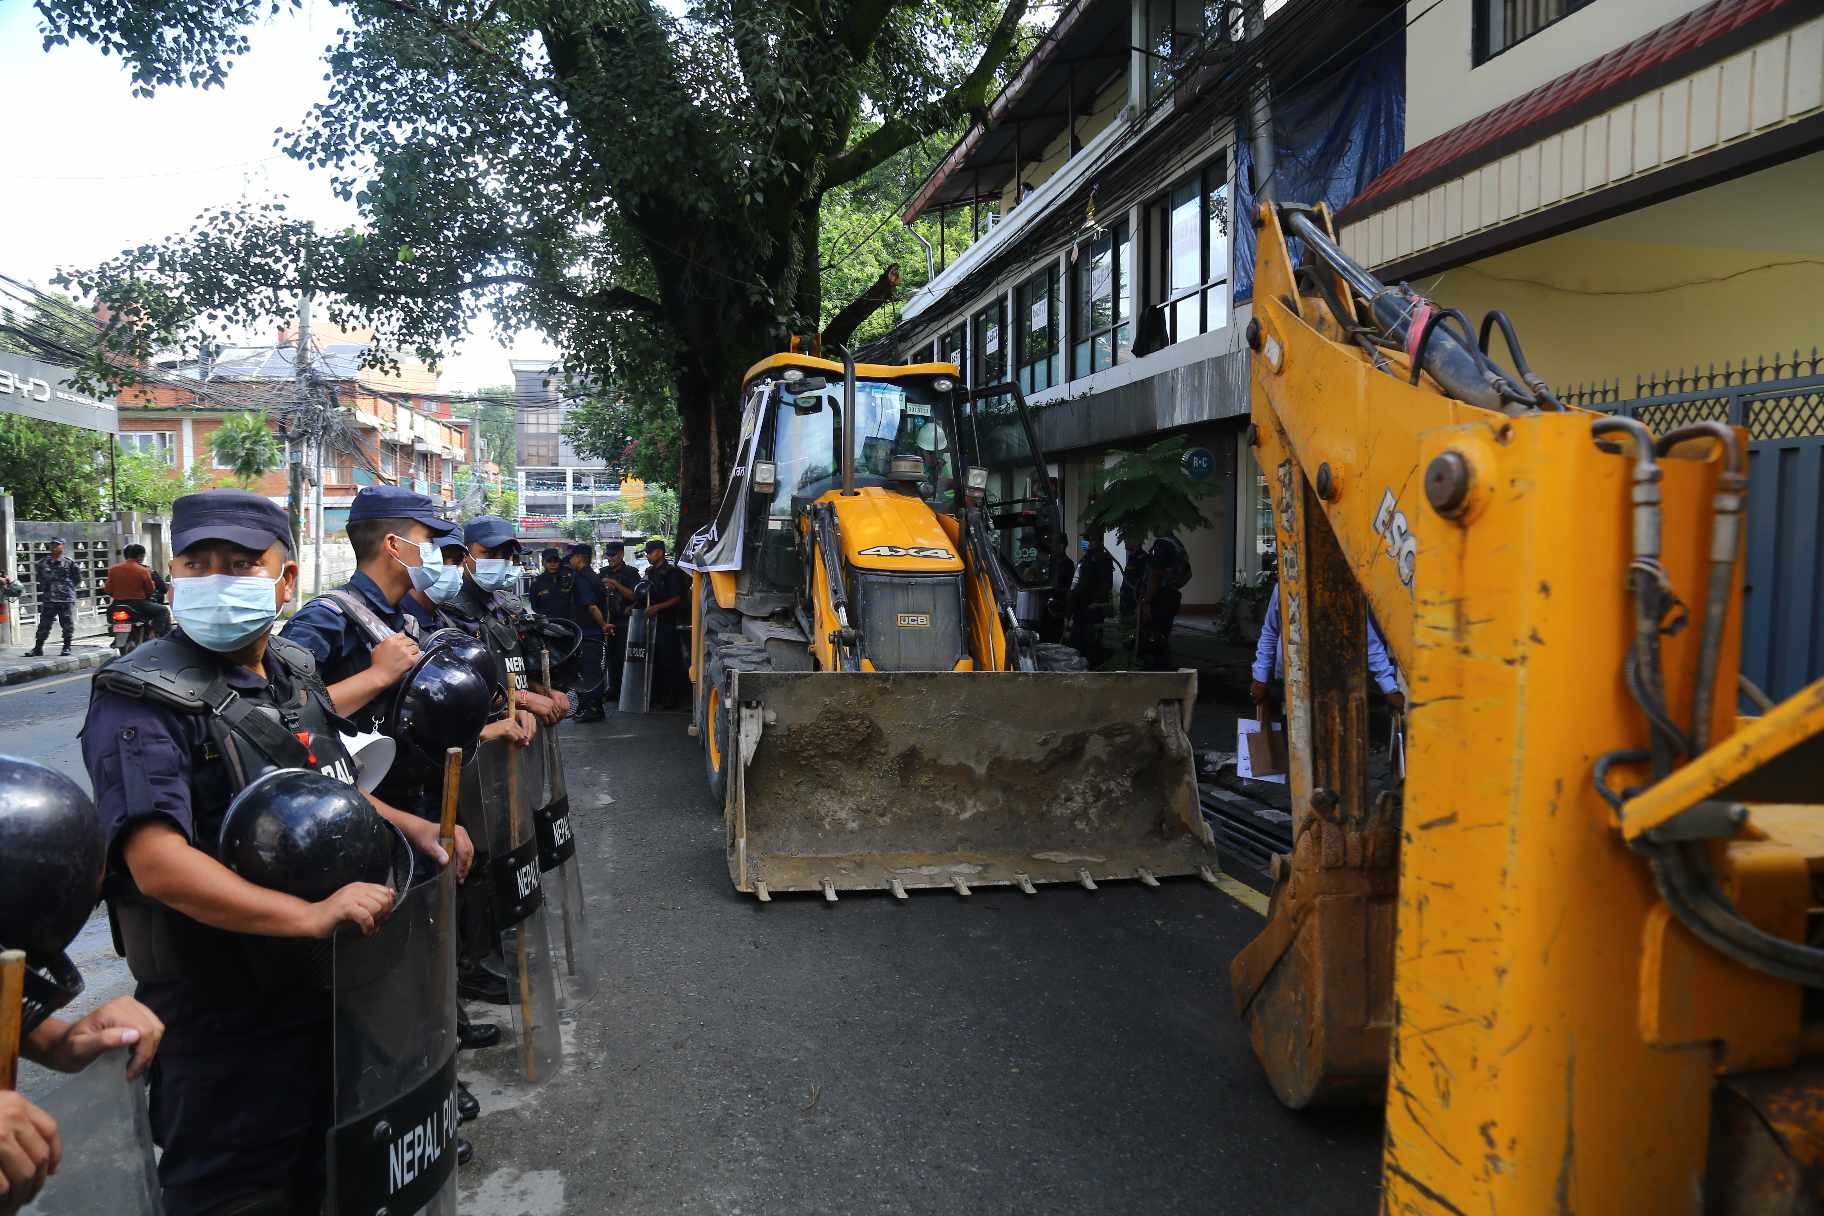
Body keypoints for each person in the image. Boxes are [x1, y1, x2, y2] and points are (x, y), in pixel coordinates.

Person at [80, 489, 464, 1215]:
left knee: (332, 1176)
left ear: (284, 580)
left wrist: (407, 826)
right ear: (172, 574)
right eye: (196, 564)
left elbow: (324, 779)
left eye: (240, 564)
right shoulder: (141, 695)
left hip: (330, 986)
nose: (215, 578)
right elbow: (155, 863)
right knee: (239, 1192)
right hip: (221, 1010)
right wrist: (308, 917)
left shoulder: (290, 668)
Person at [278, 487, 493, 1081]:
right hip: (363, 816)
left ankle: (436, 1054)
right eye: (429, 541)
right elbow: (283, 720)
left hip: (419, 798)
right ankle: (403, 1080)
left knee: (426, 938)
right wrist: (374, 677)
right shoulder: (328, 618)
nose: (438, 555)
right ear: (395, 545)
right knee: (382, 960)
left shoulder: (405, 618)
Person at [1249, 580, 1404, 715]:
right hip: (1292, 683)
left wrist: (1389, 687)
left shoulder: (1345, 588)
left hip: (1335, 687)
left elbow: (1367, 639)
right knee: (1291, 733)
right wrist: (1260, 678)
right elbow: (1271, 632)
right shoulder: (1285, 586)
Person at [642, 538, 689, 710]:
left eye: (650, 552)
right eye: (646, 553)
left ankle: (671, 698)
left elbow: (676, 598)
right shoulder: (649, 572)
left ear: (660, 552)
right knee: (655, 662)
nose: (647, 556)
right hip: (652, 623)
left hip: (668, 622)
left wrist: (657, 608)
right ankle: (656, 696)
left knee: (669, 661)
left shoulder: (671, 573)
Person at [566, 544, 609, 721]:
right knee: (591, 670)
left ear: (580, 558)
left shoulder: (582, 578)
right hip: (590, 631)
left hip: (588, 632)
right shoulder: (592, 576)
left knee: (588, 671)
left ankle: (592, 707)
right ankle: (591, 706)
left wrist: (603, 625)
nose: (570, 561)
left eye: (571, 557)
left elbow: (591, 606)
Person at [1138, 532, 1190, 669]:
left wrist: (1147, 600)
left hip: (1160, 597)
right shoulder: (1177, 544)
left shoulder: (1162, 544)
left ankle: (1158, 672)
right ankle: (1163, 668)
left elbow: (1155, 574)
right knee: (1161, 636)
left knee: (1153, 639)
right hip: (1170, 595)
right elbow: (1188, 574)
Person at [599, 540, 640, 702]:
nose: (610, 558)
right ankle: (613, 688)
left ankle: (626, 690)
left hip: (626, 621)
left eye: (613, 555)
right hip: (608, 620)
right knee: (611, 657)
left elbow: (636, 596)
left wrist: (616, 585)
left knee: (625, 657)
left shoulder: (631, 573)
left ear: (621, 554)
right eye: (608, 555)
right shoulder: (603, 572)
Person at [26, 540, 79, 657]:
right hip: (49, 598)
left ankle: (66, 647)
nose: (54, 547)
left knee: (67, 624)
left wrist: (66, 589)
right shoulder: (42, 563)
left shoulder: (69, 563)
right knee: (44, 624)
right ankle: (38, 648)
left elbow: (77, 579)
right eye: (52, 545)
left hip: (65, 599)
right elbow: (40, 578)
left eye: (57, 545)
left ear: (62, 547)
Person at [1069, 536, 1116, 667]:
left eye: (1090, 540)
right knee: (1077, 642)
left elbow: (1106, 584)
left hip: (1092, 608)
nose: (1087, 543)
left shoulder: (1103, 559)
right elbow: (1076, 584)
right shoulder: (1085, 559)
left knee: (1091, 644)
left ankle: (1092, 665)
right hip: (1079, 608)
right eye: (1086, 540)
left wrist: (1095, 603)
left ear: (1099, 542)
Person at [105, 544, 171, 635]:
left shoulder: (113, 569)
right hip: (139, 604)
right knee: (163, 610)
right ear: (141, 556)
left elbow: (108, 590)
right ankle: (155, 635)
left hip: (117, 604)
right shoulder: (143, 570)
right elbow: (150, 590)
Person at [527, 548, 573, 622]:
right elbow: (534, 605)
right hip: (547, 623)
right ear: (543, 562)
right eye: (549, 561)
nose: (552, 564)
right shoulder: (537, 582)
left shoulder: (567, 579)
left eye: (555, 561)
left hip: (568, 623)